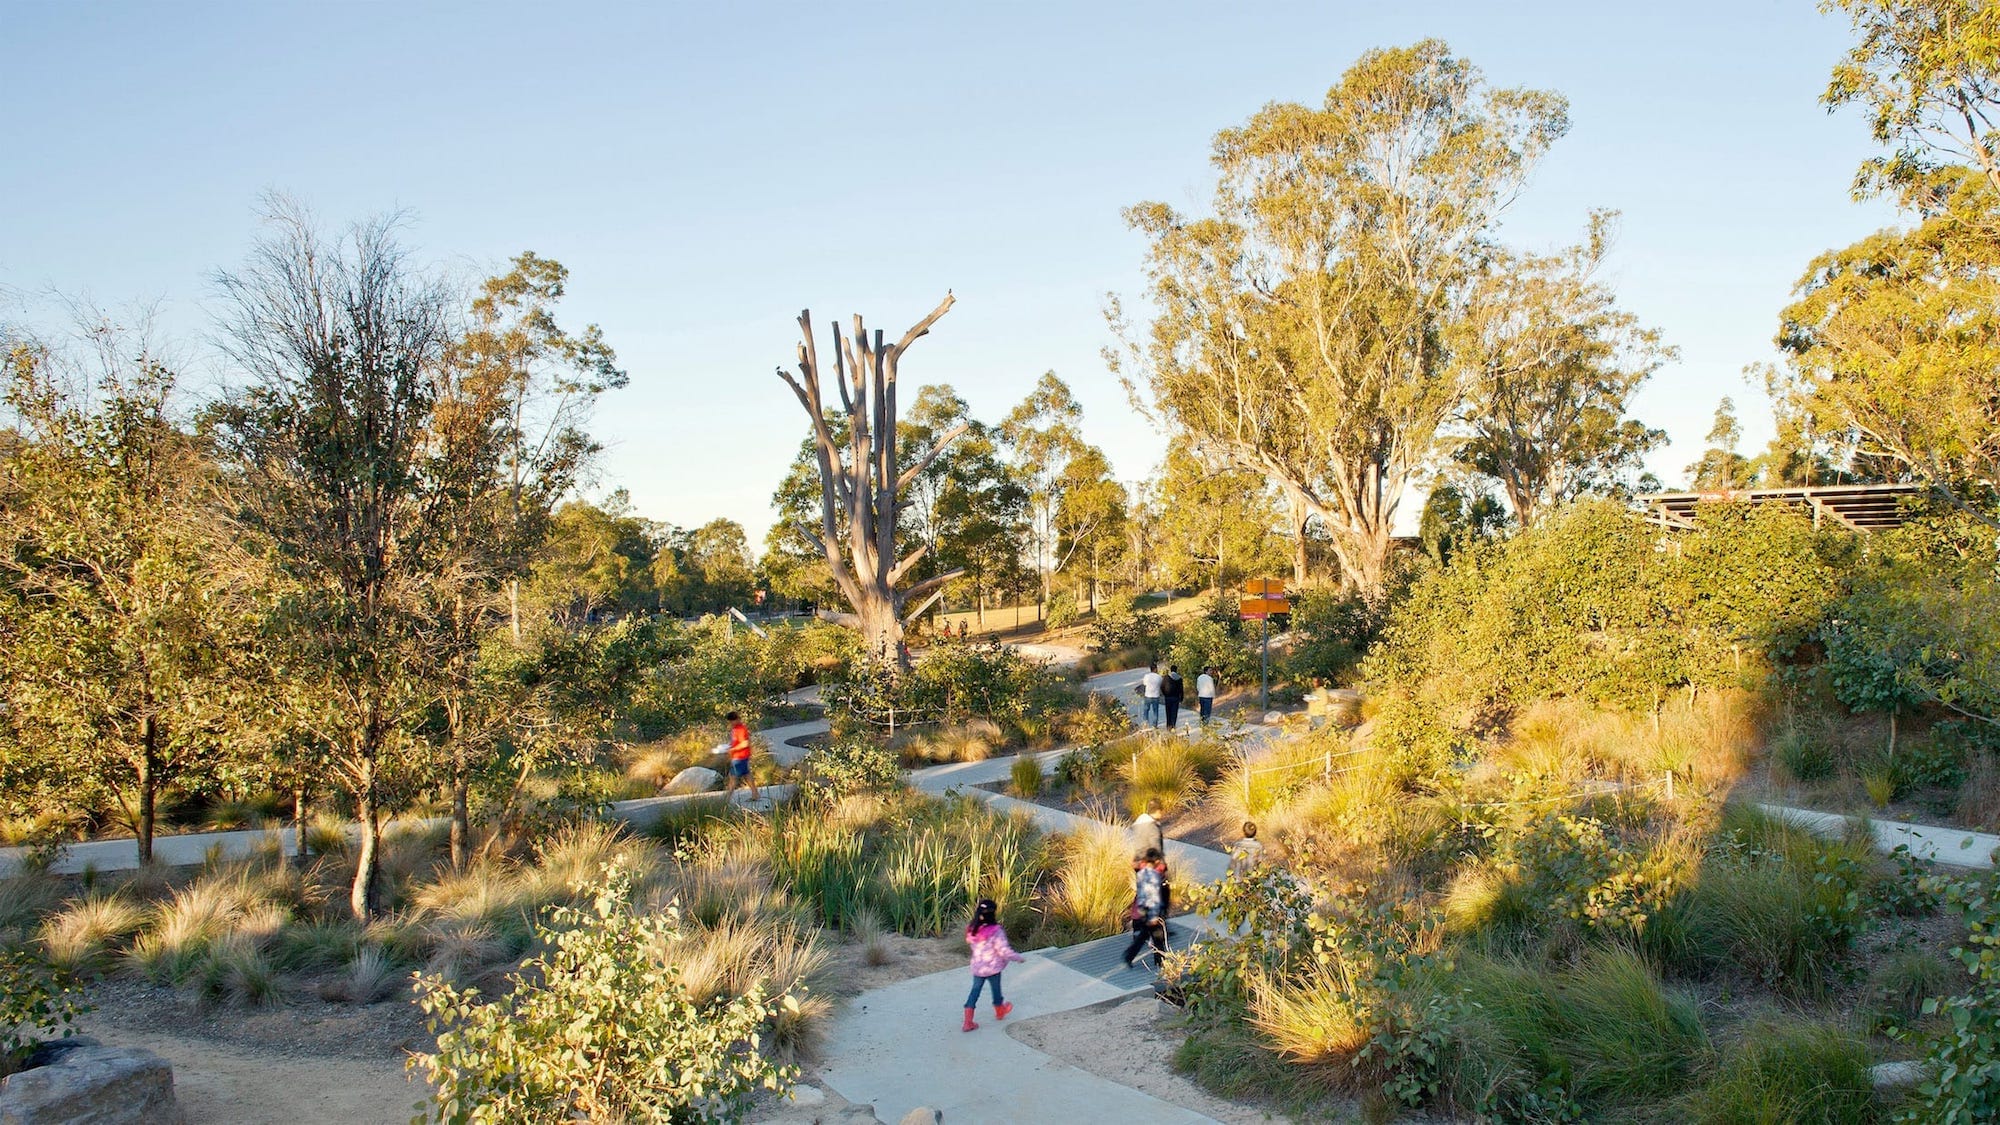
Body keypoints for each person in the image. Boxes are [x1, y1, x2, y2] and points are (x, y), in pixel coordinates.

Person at [961, 898, 1025, 1031]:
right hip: (993, 967)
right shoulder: (996, 931)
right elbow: (1003, 950)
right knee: (996, 990)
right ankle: (1000, 1011)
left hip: (978, 968)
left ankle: (968, 1021)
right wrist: (1017, 957)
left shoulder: (972, 929)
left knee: (974, 992)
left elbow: (971, 944)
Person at [1121, 847, 1170, 970]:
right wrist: (1153, 915)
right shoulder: (1153, 876)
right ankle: (1161, 963)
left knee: (1145, 935)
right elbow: (1153, 897)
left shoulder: (1142, 873)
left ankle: (1130, 956)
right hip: (1151, 911)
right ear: (1156, 861)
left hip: (1142, 909)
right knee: (1156, 936)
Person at [722, 711, 759, 803]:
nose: (731, 723)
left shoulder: (741, 729)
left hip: (740, 757)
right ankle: (755, 794)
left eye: (732, 721)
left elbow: (745, 743)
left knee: (733, 777)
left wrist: (733, 749)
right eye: (730, 721)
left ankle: (726, 799)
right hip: (740, 756)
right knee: (747, 775)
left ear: (737, 719)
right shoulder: (735, 729)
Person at [1139, 663, 1163, 728]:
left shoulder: (1146, 676)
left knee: (1146, 710)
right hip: (1156, 696)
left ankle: (1145, 724)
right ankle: (1154, 725)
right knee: (1155, 711)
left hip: (1148, 695)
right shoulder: (1159, 677)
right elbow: (1161, 685)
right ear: (1155, 669)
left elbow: (1144, 684)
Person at [1162, 665, 1185, 730]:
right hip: (1176, 697)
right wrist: (1181, 698)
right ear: (1176, 670)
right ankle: (1173, 725)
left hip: (1168, 697)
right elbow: (1181, 689)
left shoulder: (1166, 677)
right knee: (1174, 712)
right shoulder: (1179, 678)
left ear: (1171, 670)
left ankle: (1168, 725)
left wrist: (1165, 694)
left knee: (1168, 712)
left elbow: (1162, 686)